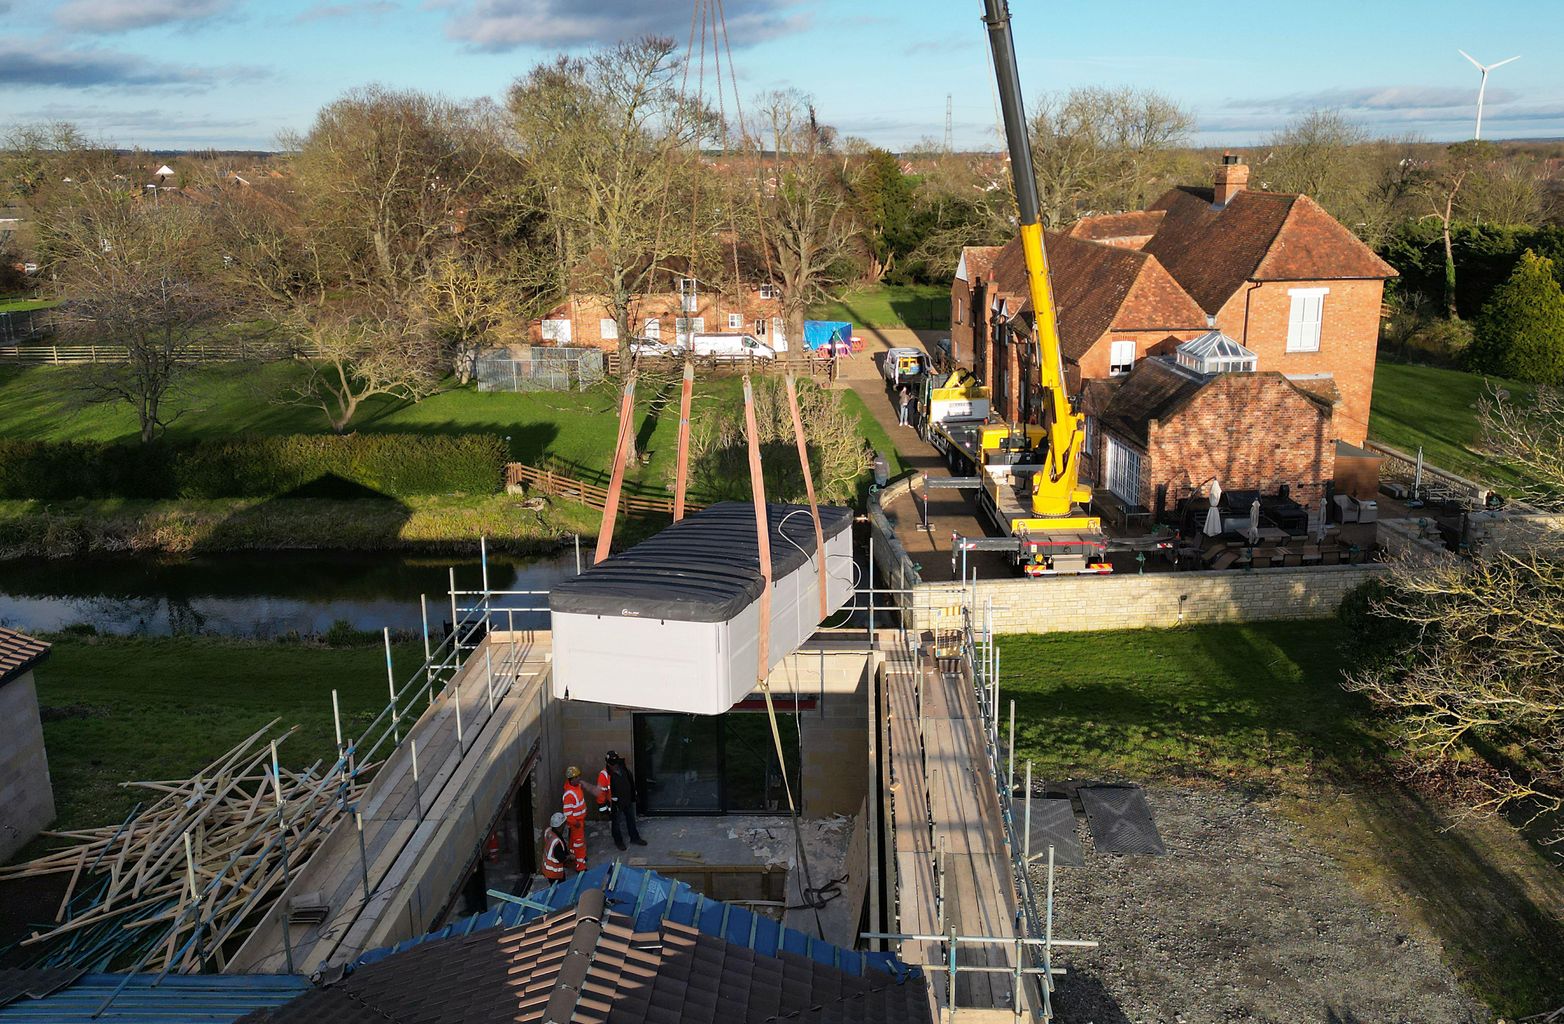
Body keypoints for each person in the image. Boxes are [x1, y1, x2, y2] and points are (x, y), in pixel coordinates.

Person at [597, 750, 646, 851]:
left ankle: (635, 838)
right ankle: (618, 841)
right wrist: (603, 807)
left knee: (631, 820)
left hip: (627, 800)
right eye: (612, 764)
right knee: (616, 824)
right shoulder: (604, 775)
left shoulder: (623, 770)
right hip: (615, 804)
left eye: (615, 763)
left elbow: (630, 782)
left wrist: (634, 795)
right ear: (607, 763)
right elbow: (601, 792)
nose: (614, 766)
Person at [561, 766, 589, 870]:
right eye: (576, 777)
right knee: (579, 844)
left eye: (579, 776)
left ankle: (574, 858)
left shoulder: (577, 787)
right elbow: (568, 813)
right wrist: (575, 823)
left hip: (579, 821)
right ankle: (580, 866)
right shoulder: (569, 795)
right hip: (576, 823)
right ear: (571, 779)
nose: (579, 778)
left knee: (574, 843)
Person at [540, 812, 571, 881]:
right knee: (560, 887)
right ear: (559, 826)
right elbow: (561, 858)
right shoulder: (556, 842)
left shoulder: (549, 831)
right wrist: (570, 857)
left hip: (547, 868)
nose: (565, 825)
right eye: (563, 824)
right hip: (554, 872)